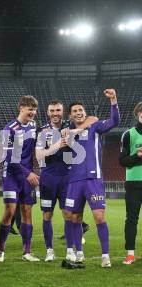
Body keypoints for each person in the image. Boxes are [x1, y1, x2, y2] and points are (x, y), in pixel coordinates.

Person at [36, 99, 97, 262]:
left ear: (63, 112)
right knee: (47, 215)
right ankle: (49, 250)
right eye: (52, 111)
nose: (55, 114)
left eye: (58, 110)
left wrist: (80, 128)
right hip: (48, 177)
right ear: (48, 112)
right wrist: (56, 146)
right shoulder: (42, 131)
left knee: (69, 215)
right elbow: (39, 155)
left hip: (68, 177)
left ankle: (71, 250)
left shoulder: (70, 127)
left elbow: (93, 119)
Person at [64, 89, 119, 268]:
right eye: (75, 111)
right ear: (70, 116)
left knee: (99, 217)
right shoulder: (66, 132)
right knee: (74, 218)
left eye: (81, 110)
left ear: (85, 112)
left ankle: (105, 256)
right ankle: (79, 253)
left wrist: (113, 101)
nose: (79, 113)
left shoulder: (95, 126)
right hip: (74, 181)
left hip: (93, 180)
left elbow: (114, 121)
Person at [0, 96, 40, 262]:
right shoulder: (9, 129)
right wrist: (27, 173)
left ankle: (27, 252)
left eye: (34, 109)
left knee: (27, 213)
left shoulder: (34, 126)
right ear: (21, 108)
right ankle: (0, 251)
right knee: (10, 211)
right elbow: (8, 157)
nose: (33, 112)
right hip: (12, 175)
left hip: (27, 177)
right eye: (30, 109)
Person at [119, 102, 142, 265]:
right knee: (132, 219)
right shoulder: (129, 134)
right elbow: (123, 161)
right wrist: (138, 156)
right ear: (138, 114)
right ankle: (130, 254)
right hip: (134, 183)